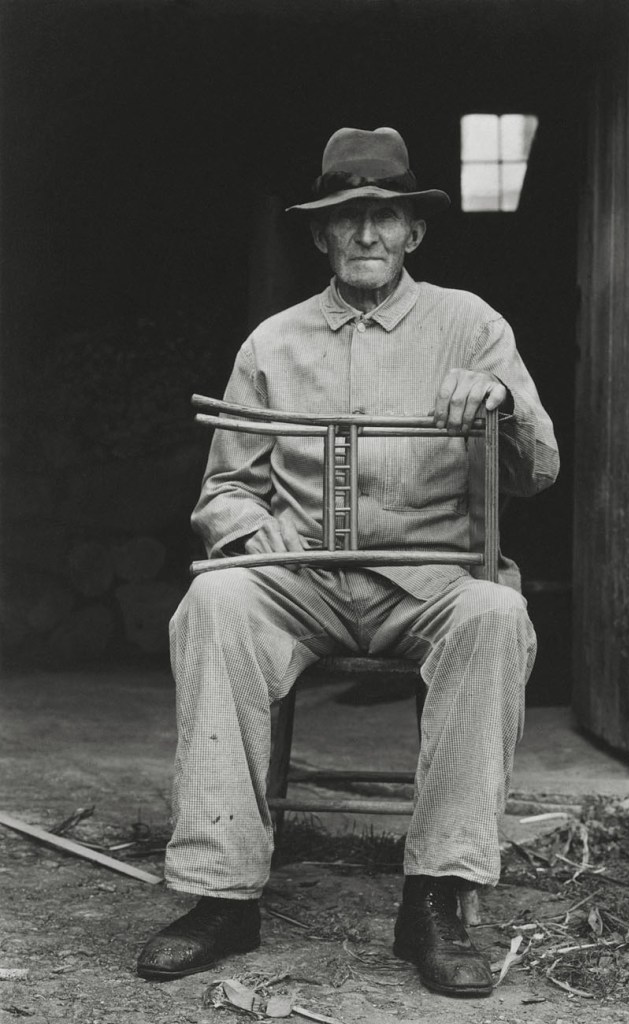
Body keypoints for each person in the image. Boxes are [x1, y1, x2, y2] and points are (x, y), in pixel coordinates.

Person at [137, 127, 559, 998]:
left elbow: (538, 470)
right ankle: (222, 896)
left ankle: (435, 899)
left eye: (386, 216)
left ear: (415, 232)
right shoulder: (272, 343)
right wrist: (246, 526)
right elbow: (226, 488)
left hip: (430, 581)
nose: (367, 233)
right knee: (214, 604)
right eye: (347, 217)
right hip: (307, 583)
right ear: (321, 235)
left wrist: (501, 401)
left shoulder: (470, 324)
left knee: (495, 616)